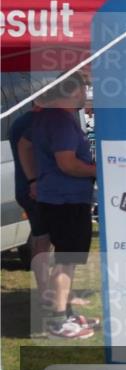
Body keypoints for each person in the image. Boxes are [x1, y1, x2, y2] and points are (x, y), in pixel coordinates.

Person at [31, 73, 99, 339]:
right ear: (73, 90)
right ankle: (59, 321)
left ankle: (66, 314)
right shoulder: (59, 120)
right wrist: (99, 170)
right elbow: (67, 163)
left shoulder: (49, 117)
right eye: (84, 88)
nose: (87, 93)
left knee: (65, 259)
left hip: (58, 198)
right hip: (66, 200)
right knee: (66, 261)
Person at [9, 104, 53, 315]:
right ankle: (47, 295)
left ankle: (46, 292)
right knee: (44, 241)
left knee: (40, 238)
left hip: (26, 188)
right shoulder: (36, 123)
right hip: (38, 189)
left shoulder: (19, 121)